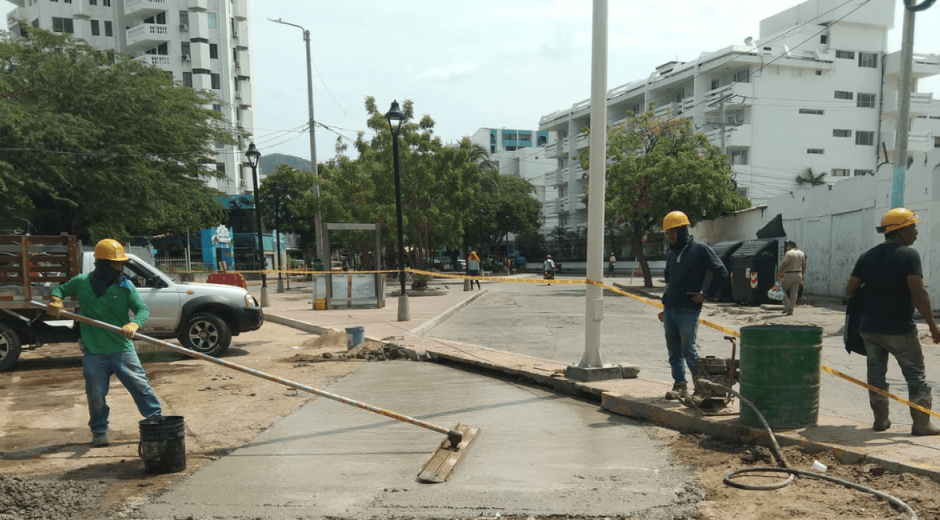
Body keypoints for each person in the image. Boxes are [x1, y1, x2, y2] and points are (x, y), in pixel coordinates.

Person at [47, 239, 162, 447]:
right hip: (94, 351)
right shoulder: (81, 283)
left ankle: (156, 421)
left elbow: (142, 310)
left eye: (121, 263)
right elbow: (59, 291)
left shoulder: (125, 286)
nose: (120, 267)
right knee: (96, 394)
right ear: (102, 263)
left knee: (140, 386)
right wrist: (56, 301)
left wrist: (135, 324)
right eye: (116, 263)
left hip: (122, 348)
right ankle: (99, 430)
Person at [846, 208, 940, 436]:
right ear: (900, 230)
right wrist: (933, 325)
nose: (916, 232)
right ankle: (921, 425)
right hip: (899, 329)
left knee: (875, 376)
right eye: (912, 227)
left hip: (869, 328)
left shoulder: (867, 256)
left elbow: (850, 289)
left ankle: (880, 421)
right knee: (915, 374)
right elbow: (918, 292)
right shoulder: (909, 255)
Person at [661, 211, 728, 400]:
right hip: (670, 308)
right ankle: (679, 385)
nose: (670, 236)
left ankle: (701, 387)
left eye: (672, 232)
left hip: (688, 310)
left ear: (682, 230)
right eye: (667, 233)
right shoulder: (672, 253)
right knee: (673, 349)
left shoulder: (700, 249)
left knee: (688, 349)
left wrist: (706, 295)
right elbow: (668, 275)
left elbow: (721, 272)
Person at [776, 241, 806, 315]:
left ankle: (787, 306)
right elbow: (803, 265)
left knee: (780, 290)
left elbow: (785, 264)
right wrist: (803, 275)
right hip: (798, 274)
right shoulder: (802, 253)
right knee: (794, 293)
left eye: (787, 246)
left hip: (789, 274)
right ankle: (791, 310)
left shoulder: (789, 253)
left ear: (790, 246)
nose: (786, 248)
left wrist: (779, 273)